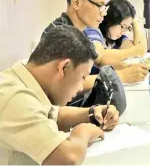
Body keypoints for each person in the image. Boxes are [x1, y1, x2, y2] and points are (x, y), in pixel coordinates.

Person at [0, 25, 119, 165]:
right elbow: (68, 158)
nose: (81, 87)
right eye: (82, 77)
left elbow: (54, 115)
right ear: (63, 67)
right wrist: (83, 132)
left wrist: (92, 113)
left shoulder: (27, 79)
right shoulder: (14, 97)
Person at [42, 0, 148, 91]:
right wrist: (121, 76)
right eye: (99, 6)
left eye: (105, 7)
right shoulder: (60, 34)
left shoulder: (77, 32)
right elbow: (66, 85)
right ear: (77, 3)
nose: (105, 13)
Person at [85, 0, 148, 75]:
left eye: (127, 27)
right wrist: (134, 51)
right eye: (122, 26)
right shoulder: (92, 30)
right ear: (112, 19)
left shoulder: (117, 37)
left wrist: (135, 23)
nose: (123, 31)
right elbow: (98, 57)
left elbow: (140, 49)